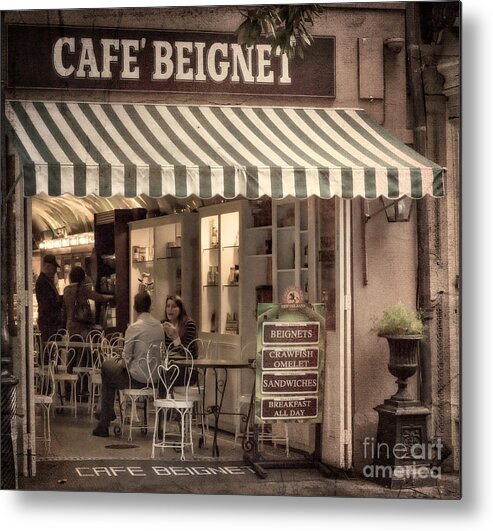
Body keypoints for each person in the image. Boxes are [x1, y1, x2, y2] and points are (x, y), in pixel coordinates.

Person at [92, 291, 165, 437]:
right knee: (110, 370)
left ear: (135, 308)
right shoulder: (159, 326)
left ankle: (104, 422)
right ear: (150, 307)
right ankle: (105, 413)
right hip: (156, 378)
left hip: (137, 378)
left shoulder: (134, 327)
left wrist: (120, 360)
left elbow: (125, 362)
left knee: (106, 368)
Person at [63, 266, 113, 339]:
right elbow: (99, 297)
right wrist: (112, 297)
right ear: (82, 278)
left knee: (74, 347)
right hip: (81, 326)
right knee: (86, 345)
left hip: (70, 326)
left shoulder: (66, 290)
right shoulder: (83, 290)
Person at [161, 295, 198, 386]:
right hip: (168, 365)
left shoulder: (189, 325)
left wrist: (176, 337)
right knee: (156, 372)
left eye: (174, 306)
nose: (170, 309)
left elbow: (187, 354)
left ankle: (165, 399)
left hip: (186, 369)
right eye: (168, 306)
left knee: (164, 374)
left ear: (180, 309)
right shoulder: (164, 324)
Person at [35, 253, 65, 343]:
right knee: (50, 348)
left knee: (51, 349)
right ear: (48, 266)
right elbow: (49, 302)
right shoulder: (43, 282)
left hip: (49, 322)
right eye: (54, 268)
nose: (55, 271)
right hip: (49, 323)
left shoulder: (46, 281)